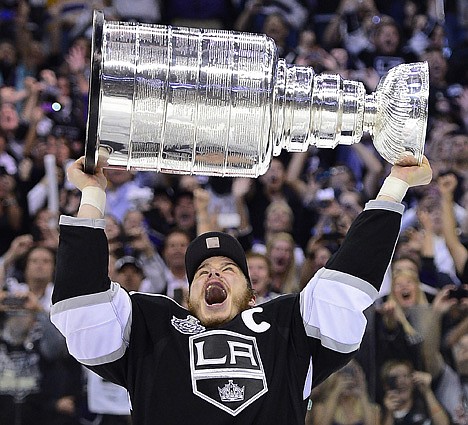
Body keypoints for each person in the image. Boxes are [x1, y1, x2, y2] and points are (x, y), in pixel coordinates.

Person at [50, 154, 432, 424]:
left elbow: (347, 282)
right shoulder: (151, 325)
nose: (213, 274)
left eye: (228, 269)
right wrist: (92, 194)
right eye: (202, 272)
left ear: (252, 296)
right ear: (187, 298)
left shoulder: (287, 326)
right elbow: (81, 306)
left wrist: (396, 183)